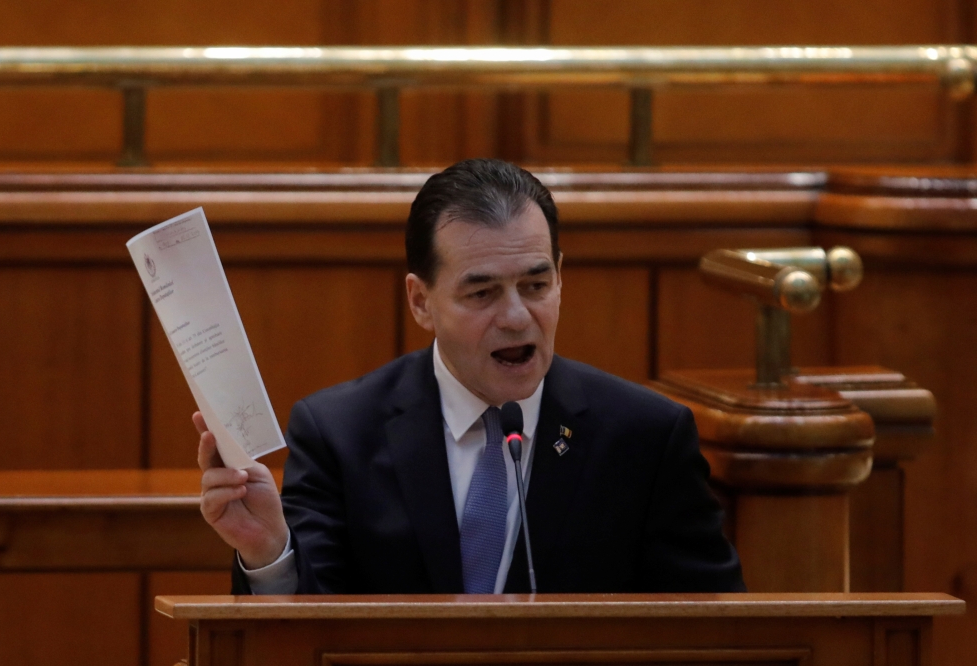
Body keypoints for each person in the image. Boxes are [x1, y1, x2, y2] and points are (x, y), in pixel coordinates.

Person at [195, 158, 745, 595]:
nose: (515, 316)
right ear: (421, 302)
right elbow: (310, 638)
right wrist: (269, 552)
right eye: (481, 293)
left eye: (536, 285)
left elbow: (716, 632)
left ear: (561, 279)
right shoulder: (340, 432)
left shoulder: (644, 437)